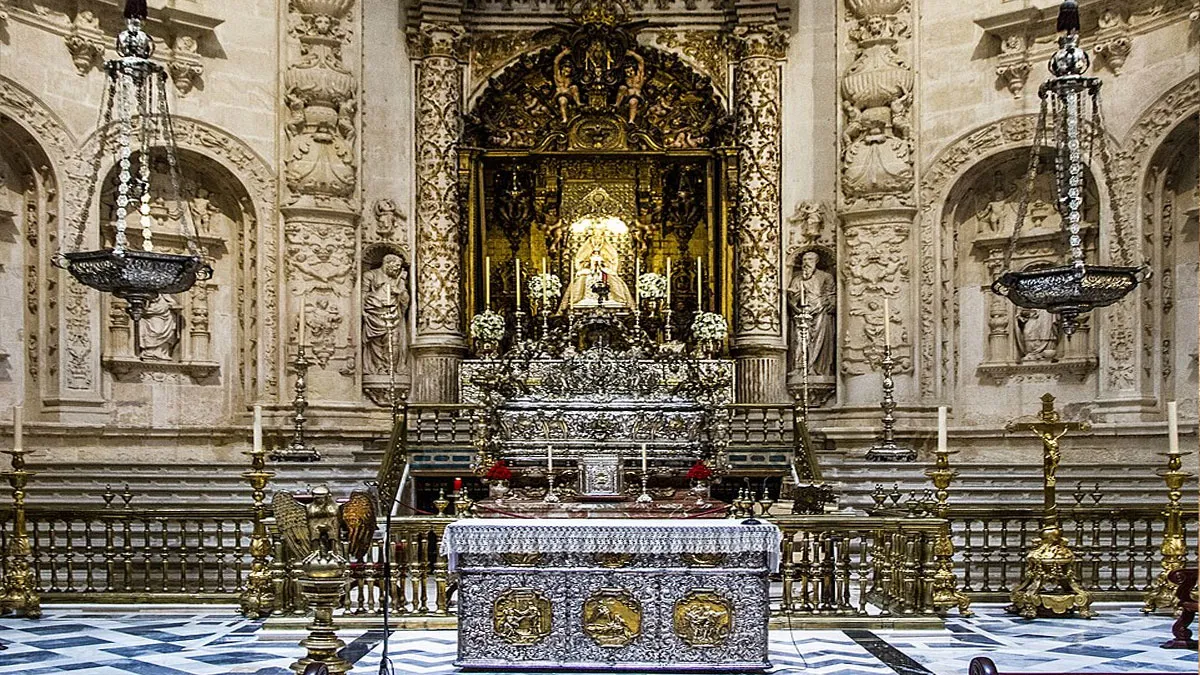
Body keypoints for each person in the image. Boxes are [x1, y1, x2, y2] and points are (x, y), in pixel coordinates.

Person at [558, 226, 634, 311]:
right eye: (595, 237)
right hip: (589, 272)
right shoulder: (586, 250)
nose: (597, 240)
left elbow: (613, 262)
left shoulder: (608, 250)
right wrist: (589, 263)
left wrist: (603, 263)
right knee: (581, 280)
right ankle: (579, 299)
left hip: (604, 271)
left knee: (613, 280)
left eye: (599, 237)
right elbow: (580, 262)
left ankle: (617, 299)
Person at [787, 251, 836, 376]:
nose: (806, 263)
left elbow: (831, 295)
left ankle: (816, 367)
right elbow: (791, 299)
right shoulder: (797, 279)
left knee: (818, 340)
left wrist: (821, 304)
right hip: (801, 315)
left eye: (810, 259)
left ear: (816, 261)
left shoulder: (826, 276)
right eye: (804, 260)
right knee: (799, 340)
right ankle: (799, 367)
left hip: (820, 312)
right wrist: (795, 301)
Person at [361, 254, 409, 375]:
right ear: (387, 263)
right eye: (396, 265)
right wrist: (363, 310)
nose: (397, 269)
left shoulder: (398, 279)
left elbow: (405, 300)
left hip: (393, 314)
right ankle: (379, 368)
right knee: (375, 341)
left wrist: (400, 291)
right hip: (374, 312)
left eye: (399, 266)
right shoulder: (370, 275)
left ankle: (391, 368)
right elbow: (363, 294)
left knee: (394, 341)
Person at [138, 294, 180, 361]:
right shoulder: (146, 293)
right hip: (150, 316)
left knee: (160, 331)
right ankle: (150, 352)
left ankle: (161, 352)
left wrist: (168, 305)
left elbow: (174, 303)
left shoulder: (165, 295)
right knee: (154, 332)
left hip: (165, 316)